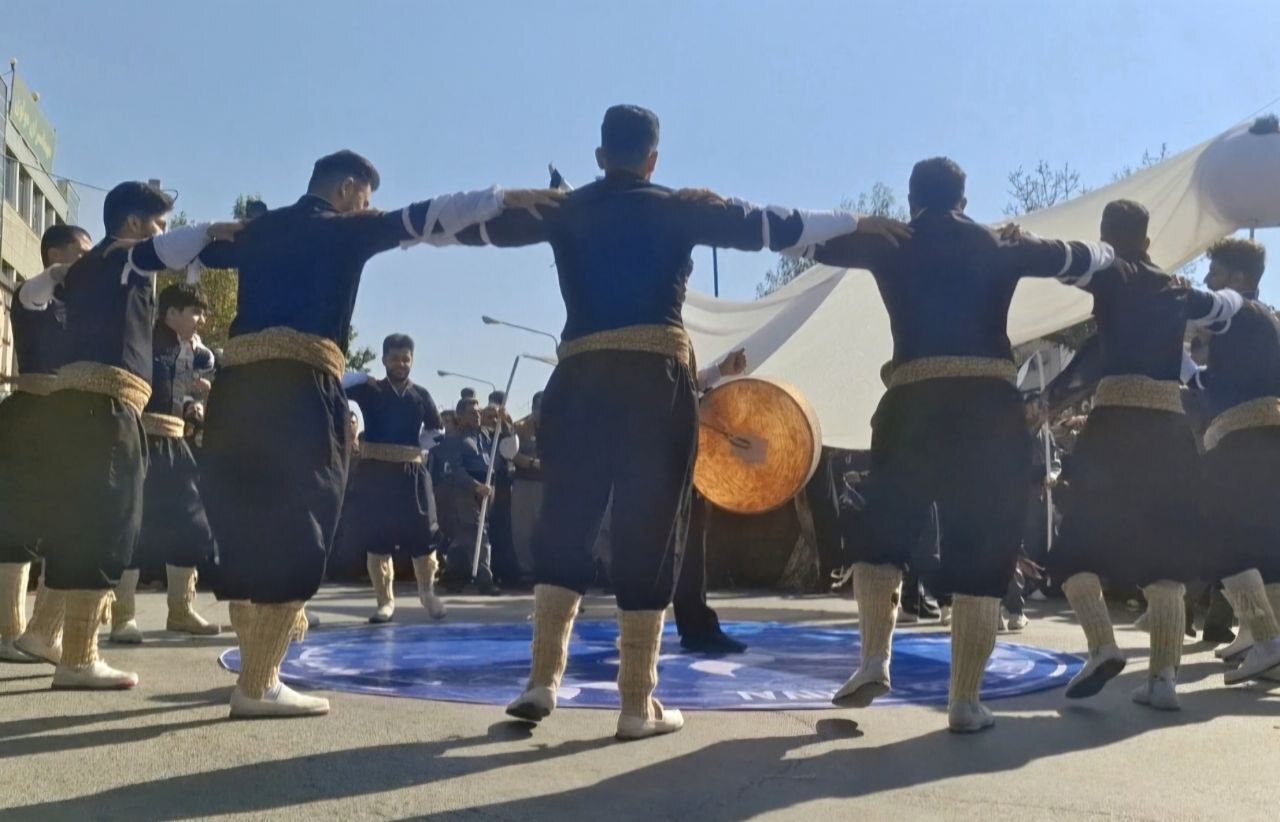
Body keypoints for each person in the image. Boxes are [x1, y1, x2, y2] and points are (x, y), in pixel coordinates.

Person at [451, 103, 908, 740]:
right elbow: (774, 226)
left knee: (568, 521)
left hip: (579, 384)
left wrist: (408, 224)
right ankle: (637, 706)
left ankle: (541, 680)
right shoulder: (677, 205)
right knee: (651, 530)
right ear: (654, 159)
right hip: (652, 385)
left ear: (600, 155)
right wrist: (860, 223)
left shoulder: (568, 208)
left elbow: (478, 224)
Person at [196, 149, 556, 718]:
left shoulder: (257, 231)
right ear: (346, 190)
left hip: (235, 394)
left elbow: (186, 251)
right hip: (299, 392)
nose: (369, 206)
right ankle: (258, 683)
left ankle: (253, 666)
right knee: (299, 523)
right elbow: (430, 215)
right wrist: (506, 198)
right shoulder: (345, 228)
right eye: (365, 197)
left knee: (244, 519)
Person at [794, 157, 1117, 733]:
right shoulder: (999, 244)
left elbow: (798, 243)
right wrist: (1032, 240)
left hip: (912, 403)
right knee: (983, 549)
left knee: (883, 533)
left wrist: (859, 223)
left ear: (912, 197)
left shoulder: (893, 241)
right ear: (965, 200)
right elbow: (1091, 260)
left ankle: (874, 658)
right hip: (988, 412)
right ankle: (965, 701)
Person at [31, 182, 238, 690]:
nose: (164, 233)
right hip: (106, 409)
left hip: (80, 408)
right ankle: (78, 658)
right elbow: (167, 249)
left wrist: (61, 271)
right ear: (132, 225)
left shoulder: (81, 271)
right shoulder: (125, 260)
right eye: (158, 223)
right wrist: (213, 230)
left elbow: (34, 294)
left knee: (80, 522)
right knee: (106, 526)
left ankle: (42, 634)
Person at [1046, 201, 1243, 711]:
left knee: (1074, 547)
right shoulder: (1177, 288)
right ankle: (1162, 681)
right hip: (1169, 428)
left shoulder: (1110, 268)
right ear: (1149, 240)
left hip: (1114, 425)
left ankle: (1102, 645)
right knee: (1166, 557)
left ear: (1108, 235)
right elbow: (1222, 311)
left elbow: (1061, 262)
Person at [109, 284, 223, 644]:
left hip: (177, 442)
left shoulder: (188, 350)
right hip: (141, 441)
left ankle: (181, 610)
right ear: (171, 312)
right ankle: (123, 616)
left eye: (201, 313)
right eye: (195, 311)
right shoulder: (142, 339)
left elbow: (178, 391)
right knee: (135, 525)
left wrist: (192, 406)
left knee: (192, 525)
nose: (200, 319)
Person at [0, 224, 91, 664]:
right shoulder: (33, 297)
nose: (87, 263)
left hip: (72, 422)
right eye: (81, 254)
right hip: (30, 417)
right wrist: (59, 272)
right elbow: (35, 289)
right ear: (55, 254)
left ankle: (43, 631)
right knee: (17, 528)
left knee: (70, 524)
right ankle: (8, 632)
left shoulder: (82, 307)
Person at [1198, 237, 1280, 684]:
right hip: (1266, 435)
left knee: (1224, 542)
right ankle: (1259, 635)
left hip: (1242, 436)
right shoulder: (1266, 318)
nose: (1208, 278)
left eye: (1216, 270)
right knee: (1265, 546)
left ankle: (1266, 638)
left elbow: (1193, 305)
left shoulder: (1234, 309)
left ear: (1238, 279)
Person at [341, 333, 446, 623]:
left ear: (412, 361)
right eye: (395, 358)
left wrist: (417, 447)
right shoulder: (369, 389)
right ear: (384, 359)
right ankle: (385, 602)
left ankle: (428, 593)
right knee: (378, 538)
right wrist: (359, 375)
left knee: (424, 534)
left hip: (412, 474)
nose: (401, 364)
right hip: (376, 473)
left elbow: (436, 430)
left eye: (406, 359)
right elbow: (337, 384)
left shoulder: (420, 395)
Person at [675, 349, 749, 654]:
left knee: (690, 538)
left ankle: (695, 625)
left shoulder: (670, 331)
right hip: (656, 452)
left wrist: (719, 370)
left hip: (679, 457)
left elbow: (684, 380)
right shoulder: (650, 324)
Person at [437, 398, 502, 594]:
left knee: (466, 536)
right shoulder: (454, 440)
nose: (477, 415)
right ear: (460, 415)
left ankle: (454, 575)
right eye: (472, 412)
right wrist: (475, 486)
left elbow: (497, 456)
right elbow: (456, 470)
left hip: (487, 489)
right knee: (478, 532)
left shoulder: (485, 436)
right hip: (465, 491)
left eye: (478, 412)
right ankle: (485, 579)